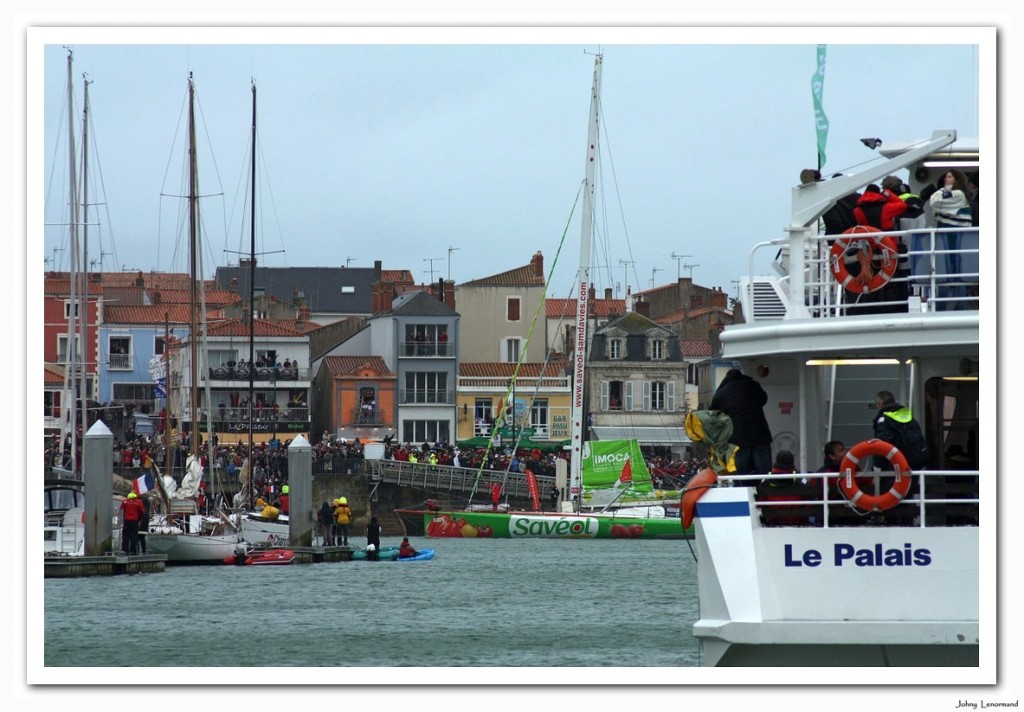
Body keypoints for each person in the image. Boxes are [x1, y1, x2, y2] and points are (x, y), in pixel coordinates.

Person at [709, 368, 773, 474]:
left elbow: (713, 414)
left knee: (740, 474)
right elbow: (763, 399)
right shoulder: (753, 385)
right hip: (760, 435)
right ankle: (765, 488)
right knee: (764, 472)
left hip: (737, 439)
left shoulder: (721, 393)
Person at [928, 169, 974, 310]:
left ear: (957, 180)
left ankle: (953, 305)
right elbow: (935, 202)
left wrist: (943, 190)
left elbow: (934, 202)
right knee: (946, 270)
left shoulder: (958, 195)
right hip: (949, 236)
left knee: (954, 270)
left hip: (955, 237)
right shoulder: (954, 195)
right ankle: (946, 304)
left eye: (949, 177)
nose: (945, 180)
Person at [873, 390, 928, 471]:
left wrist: (877, 467)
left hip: (894, 468)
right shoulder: (909, 418)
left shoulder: (884, 421)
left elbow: (882, 446)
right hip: (913, 466)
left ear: (880, 404)